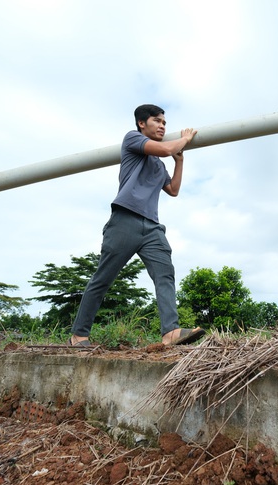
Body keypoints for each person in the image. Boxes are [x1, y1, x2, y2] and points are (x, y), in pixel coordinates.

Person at [68, 104, 205, 347]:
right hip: (125, 219)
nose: (163, 126)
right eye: (158, 121)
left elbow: (172, 190)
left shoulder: (160, 164)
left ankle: (170, 332)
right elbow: (164, 149)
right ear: (142, 123)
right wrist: (183, 140)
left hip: (152, 226)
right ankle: (79, 335)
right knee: (104, 278)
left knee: (165, 273)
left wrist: (179, 161)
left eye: (165, 123)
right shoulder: (132, 139)